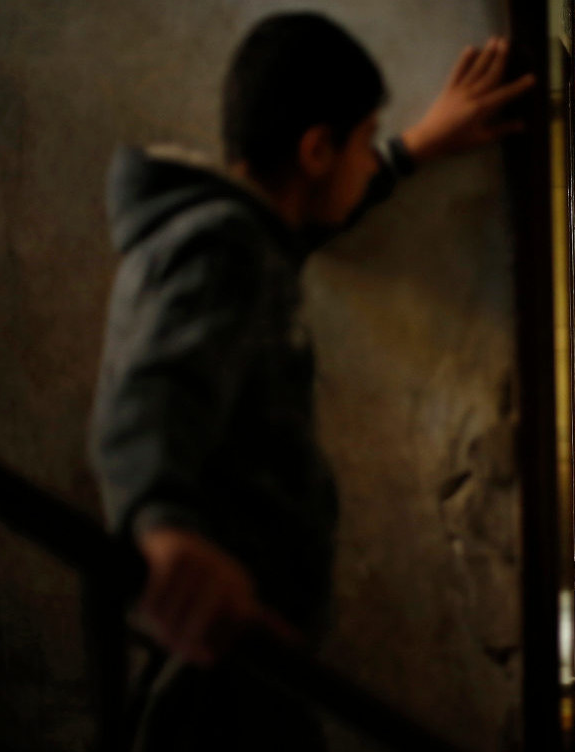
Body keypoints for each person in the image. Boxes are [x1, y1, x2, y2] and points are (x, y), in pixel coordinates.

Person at [88, 12, 534, 751]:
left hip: (254, 639)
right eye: (365, 142)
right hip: (219, 634)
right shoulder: (220, 245)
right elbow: (153, 390)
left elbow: (308, 222)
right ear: (317, 149)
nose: (369, 161)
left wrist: (416, 145)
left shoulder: (249, 236)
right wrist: (162, 526)